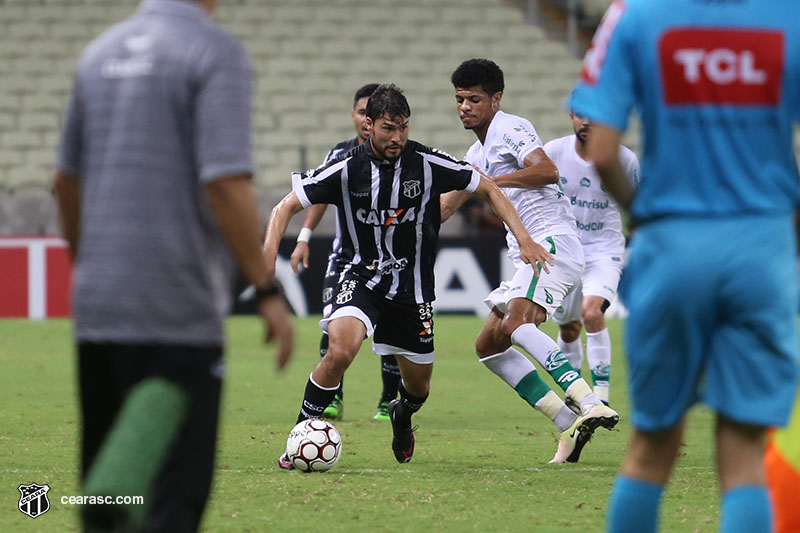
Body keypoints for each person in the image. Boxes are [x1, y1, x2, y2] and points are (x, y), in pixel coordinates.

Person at [53, 0, 294, 529]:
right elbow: (225, 184)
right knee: (172, 504)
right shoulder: (213, 52)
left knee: (109, 499)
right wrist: (265, 290)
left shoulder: (97, 53)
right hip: (176, 312)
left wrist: (89, 264)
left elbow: (64, 182)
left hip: (98, 309)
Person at [572, 1, 800, 531]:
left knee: (652, 445)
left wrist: (647, 215)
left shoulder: (634, 16)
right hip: (761, 247)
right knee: (744, 451)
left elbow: (602, 151)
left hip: (672, 242)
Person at [263, 83, 548, 468]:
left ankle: (402, 415)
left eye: (403, 128)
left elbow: (488, 188)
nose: (396, 137)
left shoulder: (428, 164)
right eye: (387, 128)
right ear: (368, 124)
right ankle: (299, 437)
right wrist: (266, 263)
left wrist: (525, 238)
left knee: (418, 388)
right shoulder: (346, 168)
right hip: (359, 276)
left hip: (411, 291)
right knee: (340, 350)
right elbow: (285, 207)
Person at [442, 58, 619, 464]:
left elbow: (547, 170)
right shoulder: (475, 152)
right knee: (489, 346)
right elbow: (446, 207)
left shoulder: (511, 126)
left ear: (495, 99)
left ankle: (588, 401)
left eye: (473, 99)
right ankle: (566, 422)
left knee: (517, 322)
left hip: (551, 244)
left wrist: (490, 185)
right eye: (459, 100)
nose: (465, 107)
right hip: (533, 256)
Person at [290, 83, 402, 422]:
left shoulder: (402, 158)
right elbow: (316, 197)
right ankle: (332, 398)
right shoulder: (340, 156)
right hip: (347, 261)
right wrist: (304, 236)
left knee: (391, 333)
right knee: (333, 329)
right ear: (356, 117)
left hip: (393, 263)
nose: (365, 120)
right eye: (360, 112)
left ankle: (388, 401)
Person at [547, 108, 640, 408]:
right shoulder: (553, 152)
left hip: (604, 249)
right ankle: (575, 396)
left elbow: (638, 205)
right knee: (569, 327)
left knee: (592, 313)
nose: (586, 121)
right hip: (565, 249)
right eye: (579, 114)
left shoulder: (625, 159)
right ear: (571, 117)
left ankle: (600, 398)